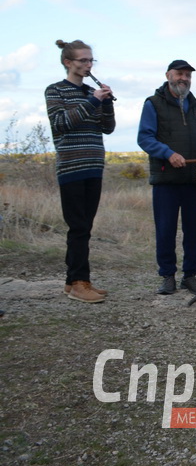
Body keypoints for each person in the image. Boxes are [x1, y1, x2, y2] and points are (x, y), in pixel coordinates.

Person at [138, 60, 196, 295]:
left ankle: (190, 276)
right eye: (179, 74)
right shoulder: (153, 103)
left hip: (195, 180)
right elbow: (145, 138)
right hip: (166, 180)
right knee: (166, 230)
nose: (184, 78)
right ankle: (167, 277)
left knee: (195, 231)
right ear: (168, 75)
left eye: (187, 75)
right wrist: (168, 153)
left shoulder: (195, 105)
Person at [45, 39, 115, 303]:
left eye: (91, 60)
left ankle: (72, 281)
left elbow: (107, 128)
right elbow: (61, 124)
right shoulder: (55, 91)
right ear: (68, 63)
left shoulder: (90, 92)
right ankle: (78, 283)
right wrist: (92, 103)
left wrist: (106, 104)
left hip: (94, 166)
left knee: (85, 227)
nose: (88, 65)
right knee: (77, 226)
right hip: (72, 166)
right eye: (83, 60)